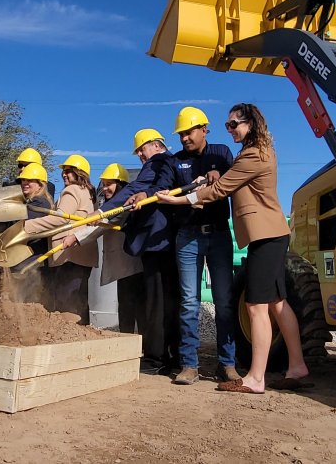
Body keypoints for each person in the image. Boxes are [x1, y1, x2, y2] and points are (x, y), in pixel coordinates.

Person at [158, 103, 311, 394]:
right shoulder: (257, 151)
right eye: (228, 125)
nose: (230, 130)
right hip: (272, 233)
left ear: (250, 123)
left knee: (256, 306)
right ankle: (297, 366)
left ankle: (255, 377)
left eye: (234, 124)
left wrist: (177, 200)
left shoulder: (253, 154)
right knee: (278, 303)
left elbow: (220, 190)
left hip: (265, 236)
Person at [169, 105, 239, 385]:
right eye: (181, 134)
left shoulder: (221, 152)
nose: (185, 138)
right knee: (189, 303)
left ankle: (227, 364)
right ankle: (189, 365)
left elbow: (230, 181)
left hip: (219, 234)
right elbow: (170, 197)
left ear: (204, 130)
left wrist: (215, 177)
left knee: (224, 302)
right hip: (188, 235)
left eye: (189, 132)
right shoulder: (176, 162)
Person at [101, 128, 181, 374]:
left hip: (157, 243)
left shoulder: (159, 161)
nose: (140, 155)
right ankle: (172, 357)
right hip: (169, 240)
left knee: (156, 302)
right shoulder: (173, 162)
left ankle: (154, 359)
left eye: (141, 149)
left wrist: (104, 210)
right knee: (169, 300)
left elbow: (139, 186)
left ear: (156, 145)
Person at [23, 154, 98, 324]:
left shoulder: (71, 190)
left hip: (68, 254)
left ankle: (70, 342)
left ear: (80, 173)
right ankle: (82, 339)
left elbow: (61, 218)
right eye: (64, 171)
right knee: (79, 300)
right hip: (83, 254)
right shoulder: (88, 192)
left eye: (69, 171)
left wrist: (27, 226)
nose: (64, 174)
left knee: (67, 304)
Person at [97, 163, 146, 334]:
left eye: (108, 184)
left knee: (135, 305)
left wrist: (75, 236)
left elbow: (107, 223)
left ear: (121, 185)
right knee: (125, 305)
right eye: (103, 184)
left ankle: (141, 345)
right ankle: (127, 342)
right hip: (122, 266)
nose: (105, 188)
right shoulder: (107, 205)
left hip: (130, 263)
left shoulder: (125, 206)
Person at [8, 162, 55, 302]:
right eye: (23, 180)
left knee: (26, 303)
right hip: (26, 260)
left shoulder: (40, 203)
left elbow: (21, 228)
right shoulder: (30, 202)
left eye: (30, 180)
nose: (25, 183)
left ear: (40, 184)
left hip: (31, 262)